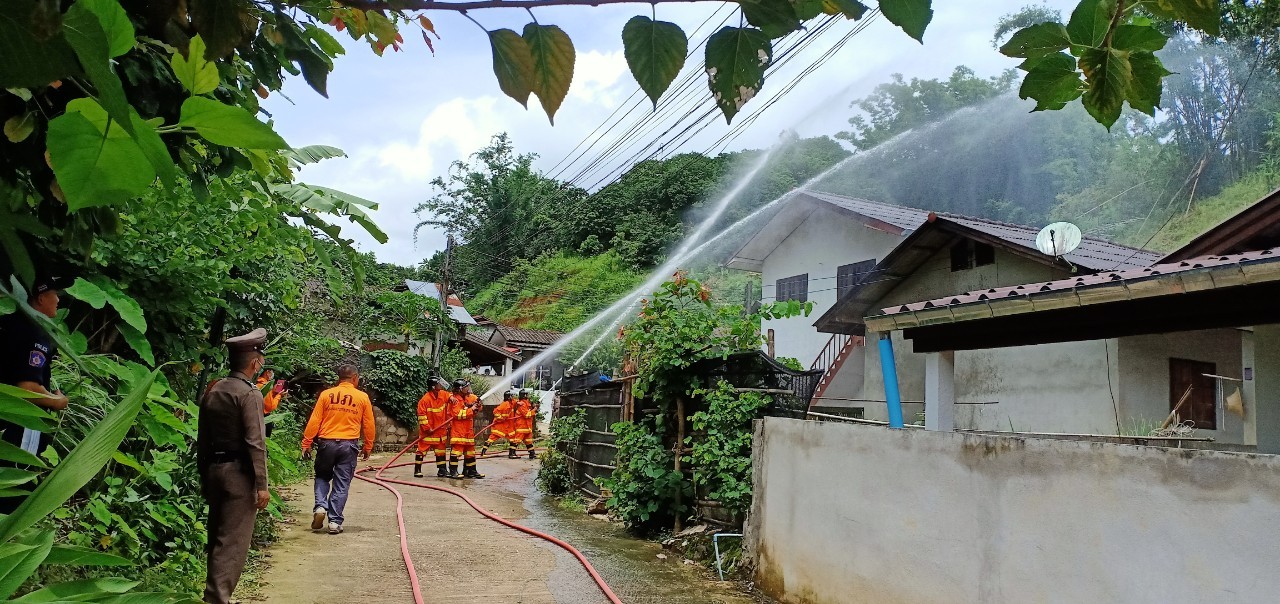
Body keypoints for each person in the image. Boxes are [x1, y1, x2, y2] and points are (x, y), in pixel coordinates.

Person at [196, 328, 271, 604]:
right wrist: (262, 485)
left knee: (217, 536)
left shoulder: (214, 389)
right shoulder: (249, 394)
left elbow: (202, 438)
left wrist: (204, 475)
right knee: (232, 543)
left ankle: (214, 595)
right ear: (255, 363)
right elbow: (255, 443)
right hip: (239, 475)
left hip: (214, 470)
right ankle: (217, 599)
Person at [0, 274, 70, 514]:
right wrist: (57, 401)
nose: (58, 300)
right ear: (40, 298)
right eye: (55, 294)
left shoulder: (8, 324)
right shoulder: (33, 335)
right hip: (17, 426)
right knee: (15, 488)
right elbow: (26, 389)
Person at [301, 364, 375, 534]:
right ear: (355, 378)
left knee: (322, 476)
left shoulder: (326, 395)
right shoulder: (362, 397)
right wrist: (368, 445)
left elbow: (315, 420)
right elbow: (369, 424)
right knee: (342, 483)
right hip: (348, 445)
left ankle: (320, 506)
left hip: (326, 443)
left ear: (339, 378)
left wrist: (307, 442)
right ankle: (334, 522)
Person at [414, 377, 451, 478]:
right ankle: (417, 470)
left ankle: (442, 470)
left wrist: (452, 398)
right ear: (433, 387)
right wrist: (427, 428)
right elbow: (421, 416)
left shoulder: (442, 394)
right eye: (438, 384)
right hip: (428, 432)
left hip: (440, 432)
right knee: (421, 450)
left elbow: (449, 395)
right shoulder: (425, 400)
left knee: (441, 451)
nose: (440, 385)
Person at [447, 380, 484, 478]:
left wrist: (478, 405)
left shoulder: (469, 397)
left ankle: (471, 471)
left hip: (468, 430)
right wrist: (471, 409)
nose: (468, 389)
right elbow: (457, 414)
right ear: (460, 389)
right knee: (456, 451)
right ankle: (453, 472)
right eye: (465, 387)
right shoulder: (455, 400)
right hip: (459, 430)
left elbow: (478, 408)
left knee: (470, 452)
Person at [480, 390, 517, 458]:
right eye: (511, 396)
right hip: (500, 426)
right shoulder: (504, 404)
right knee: (492, 438)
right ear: (509, 397)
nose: (513, 397)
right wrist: (501, 418)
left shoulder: (511, 403)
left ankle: (512, 454)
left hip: (508, 426)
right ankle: (483, 452)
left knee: (513, 439)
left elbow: (516, 402)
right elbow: (495, 412)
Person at [256, 369, 286, 437]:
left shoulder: (257, 384)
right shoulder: (264, 386)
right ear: (267, 372)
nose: (273, 374)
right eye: (272, 372)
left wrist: (273, 393)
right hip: (263, 418)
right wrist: (279, 395)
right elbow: (271, 407)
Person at [513, 389, 536, 459]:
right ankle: (512, 453)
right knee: (517, 440)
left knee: (529, 441)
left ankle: (532, 454)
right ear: (524, 395)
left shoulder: (526, 403)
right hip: (521, 426)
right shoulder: (521, 404)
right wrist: (534, 410)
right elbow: (527, 414)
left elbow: (530, 412)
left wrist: (534, 407)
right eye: (527, 394)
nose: (528, 396)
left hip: (527, 427)